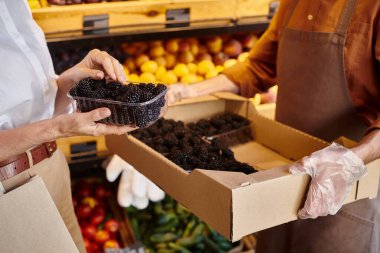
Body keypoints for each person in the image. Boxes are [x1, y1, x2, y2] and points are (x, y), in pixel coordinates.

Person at [166, 0, 380, 252]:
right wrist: (188, 91)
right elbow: (259, 65)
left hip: (344, 188)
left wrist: (350, 161)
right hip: (282, 179)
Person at [0, 1, 136, 252]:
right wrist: (58, 128)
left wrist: (71, 81)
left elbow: (36, 102)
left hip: (52, 162)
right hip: (8, 188)